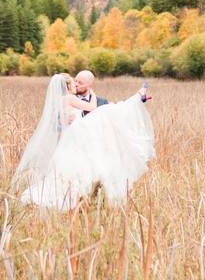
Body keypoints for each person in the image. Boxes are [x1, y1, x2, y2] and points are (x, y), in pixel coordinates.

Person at [13, 74, 154, 210]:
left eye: (79, 82)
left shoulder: (65, 100)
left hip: (76, 139)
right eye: (74, 82)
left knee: (108, 112)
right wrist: (91, 94)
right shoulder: (68, 98)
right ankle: (135, 99)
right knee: (105, 114)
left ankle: (136, 99)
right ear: (67, 86)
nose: (76, 84)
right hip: (76, 136)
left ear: (88, 84)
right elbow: (92, 108)